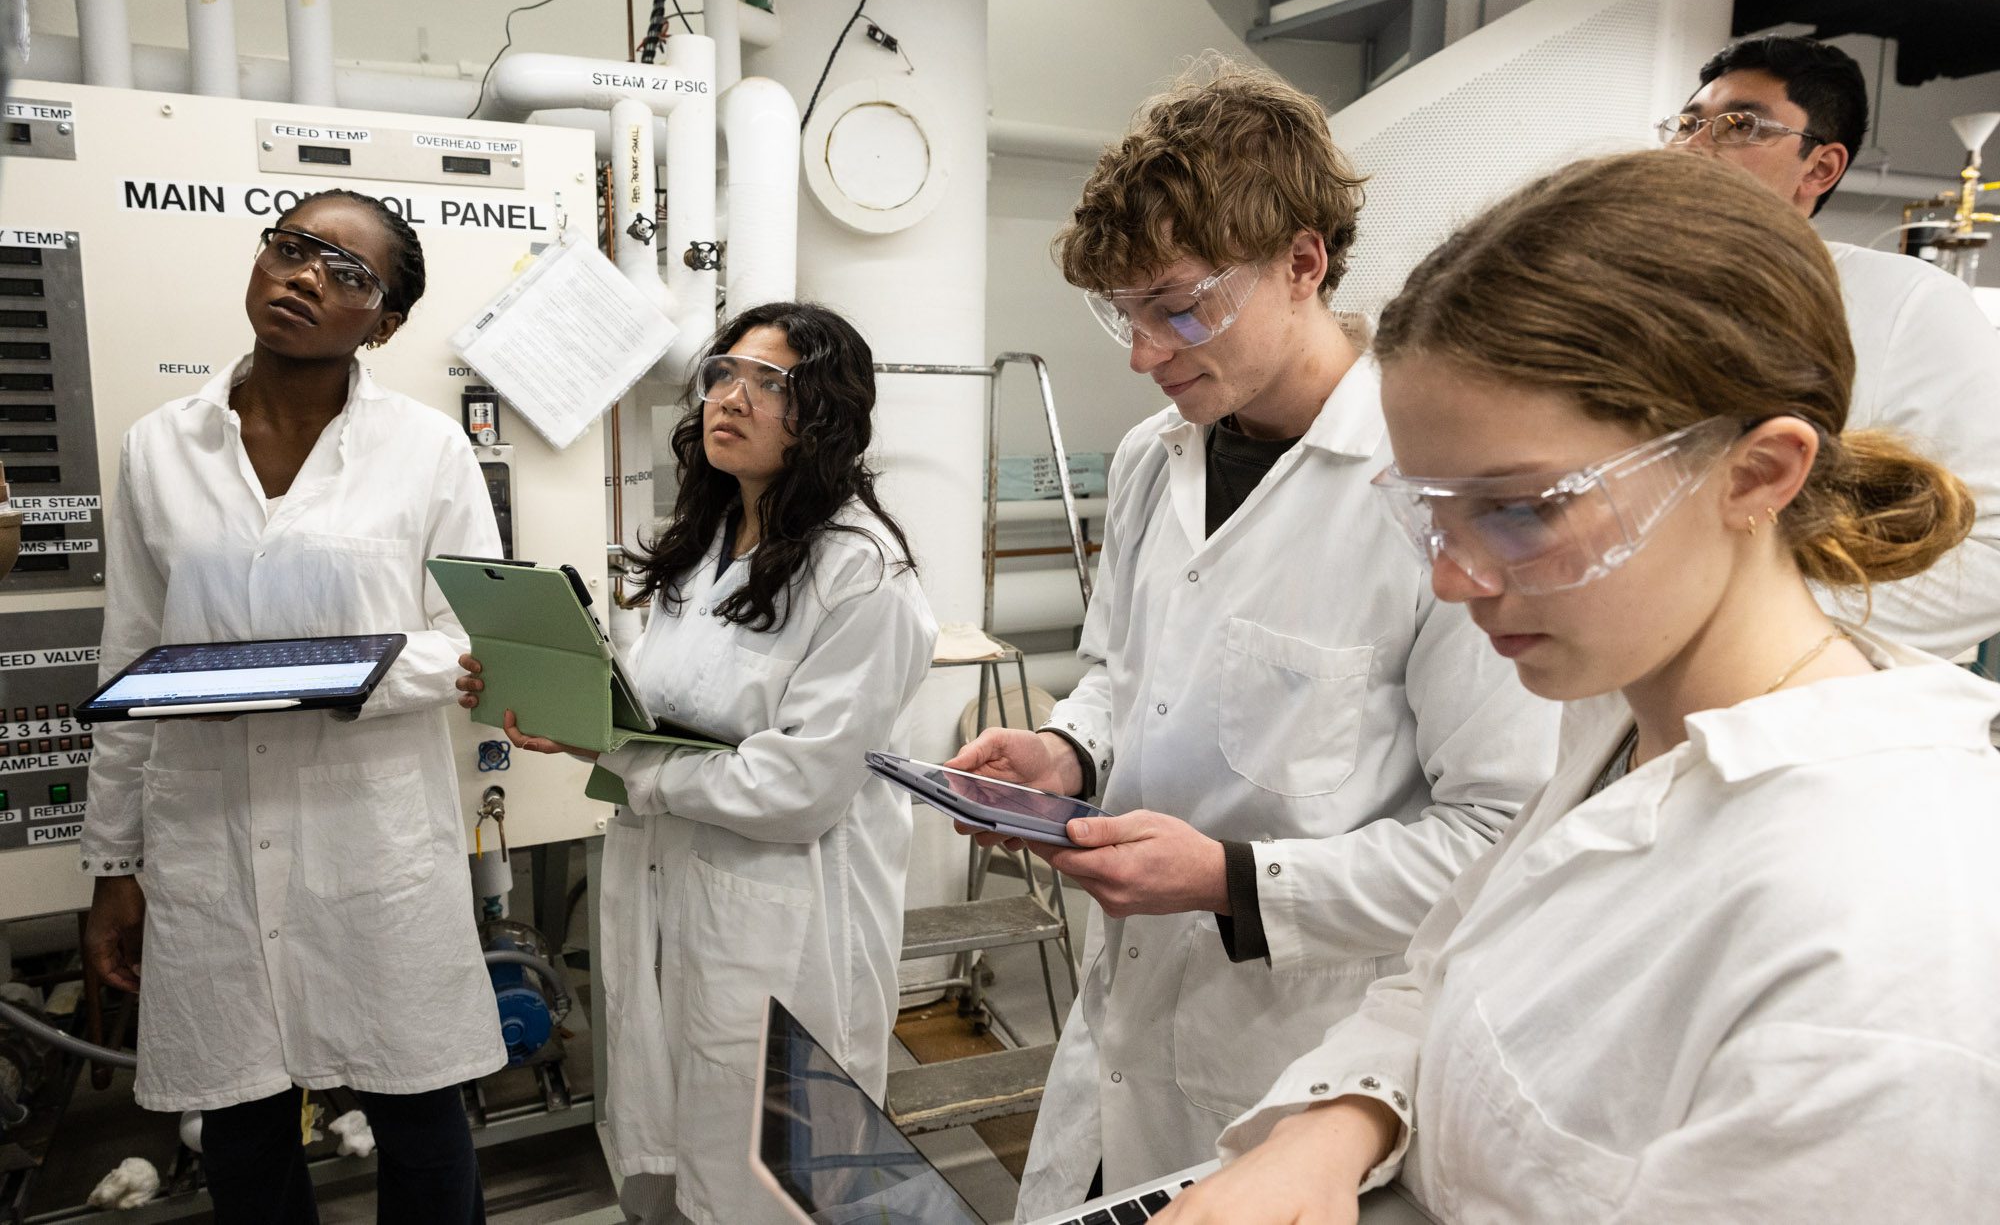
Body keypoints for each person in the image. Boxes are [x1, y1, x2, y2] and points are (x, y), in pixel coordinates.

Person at [1161, 149, 2000, 1225]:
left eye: (1518, 509)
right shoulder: (1622, 718)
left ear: (1755, 474)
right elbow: (1453, 974)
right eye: (1431, 510)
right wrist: (1332, 1129)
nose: (1451, 578)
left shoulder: (1885, 938)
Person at [943, 64, 1561, 1219]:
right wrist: (1067, 756)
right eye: (1123, 313)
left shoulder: (1432, 492)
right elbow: (1121, 676)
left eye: (1175, 306)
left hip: (1299, 1062)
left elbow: (1497, 838)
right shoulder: (1148, 460)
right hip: (1119, 1024)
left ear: (1301, 261)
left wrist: (1229, 881)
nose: (1142, 351)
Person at [456, 302, 938, 1225]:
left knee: (780, 1187)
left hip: (789, 921)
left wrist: (619, 752)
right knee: (681, 1154)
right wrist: (563, 693)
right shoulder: (700, 546)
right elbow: (656, 711)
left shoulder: (862, 576)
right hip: (672, 890)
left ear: (827, 413)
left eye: (771, 383)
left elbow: (793, 788)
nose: (732, 397)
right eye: (723, 373)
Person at [78, 190, 504, 1224]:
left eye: (346, 272)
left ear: (386, 321)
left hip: (371, 839)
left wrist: (325, 675)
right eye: (291, 247)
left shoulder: (427, 451)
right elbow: (132, 651)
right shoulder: (158, 449)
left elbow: (474, 642)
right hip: (207, 829)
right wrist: (111, 865)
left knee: (419, 1112)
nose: (303, 275)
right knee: (240, 1125)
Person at [1664, 33, 2000, 657]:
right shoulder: (1636, 299)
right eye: (1688, 123)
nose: (1693, 147)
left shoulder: (1909, 304)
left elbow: (1991, 549)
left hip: (1835, 708)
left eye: (1740, 126)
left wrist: (1749, 623)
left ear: (1820, 168)